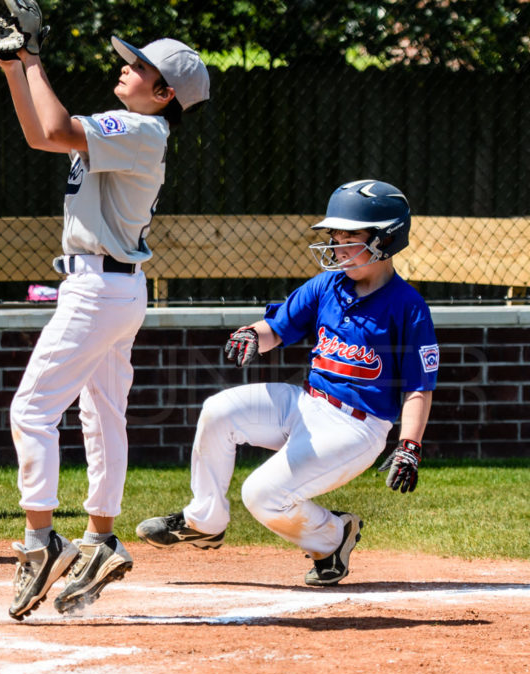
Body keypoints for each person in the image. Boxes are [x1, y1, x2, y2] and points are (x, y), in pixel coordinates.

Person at [0, 28, 210, 619]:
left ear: (165, 92)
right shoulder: (129, 126)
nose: (126, 68)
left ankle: (41, 539)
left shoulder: (144, 130)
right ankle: (100, 538)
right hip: (110, 286)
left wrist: (33, 59)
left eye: (140, 67)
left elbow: (54, 128)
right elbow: (39, 134)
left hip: (99, 287)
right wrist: (13, 69)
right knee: (100, 414)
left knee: (32, 410)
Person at [136, 179, 438, 587]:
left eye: (350, 236)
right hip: (307, 403)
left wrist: (409, 446)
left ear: (385, 240)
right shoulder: (328, 285)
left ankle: (333, 537)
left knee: (261, 494)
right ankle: (205, 520)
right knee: (219, 410)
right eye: (336, 235)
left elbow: (419, 387)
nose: (336, 244)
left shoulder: (408, 307)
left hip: (356, 427)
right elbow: (277, 328)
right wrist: (252, 335)